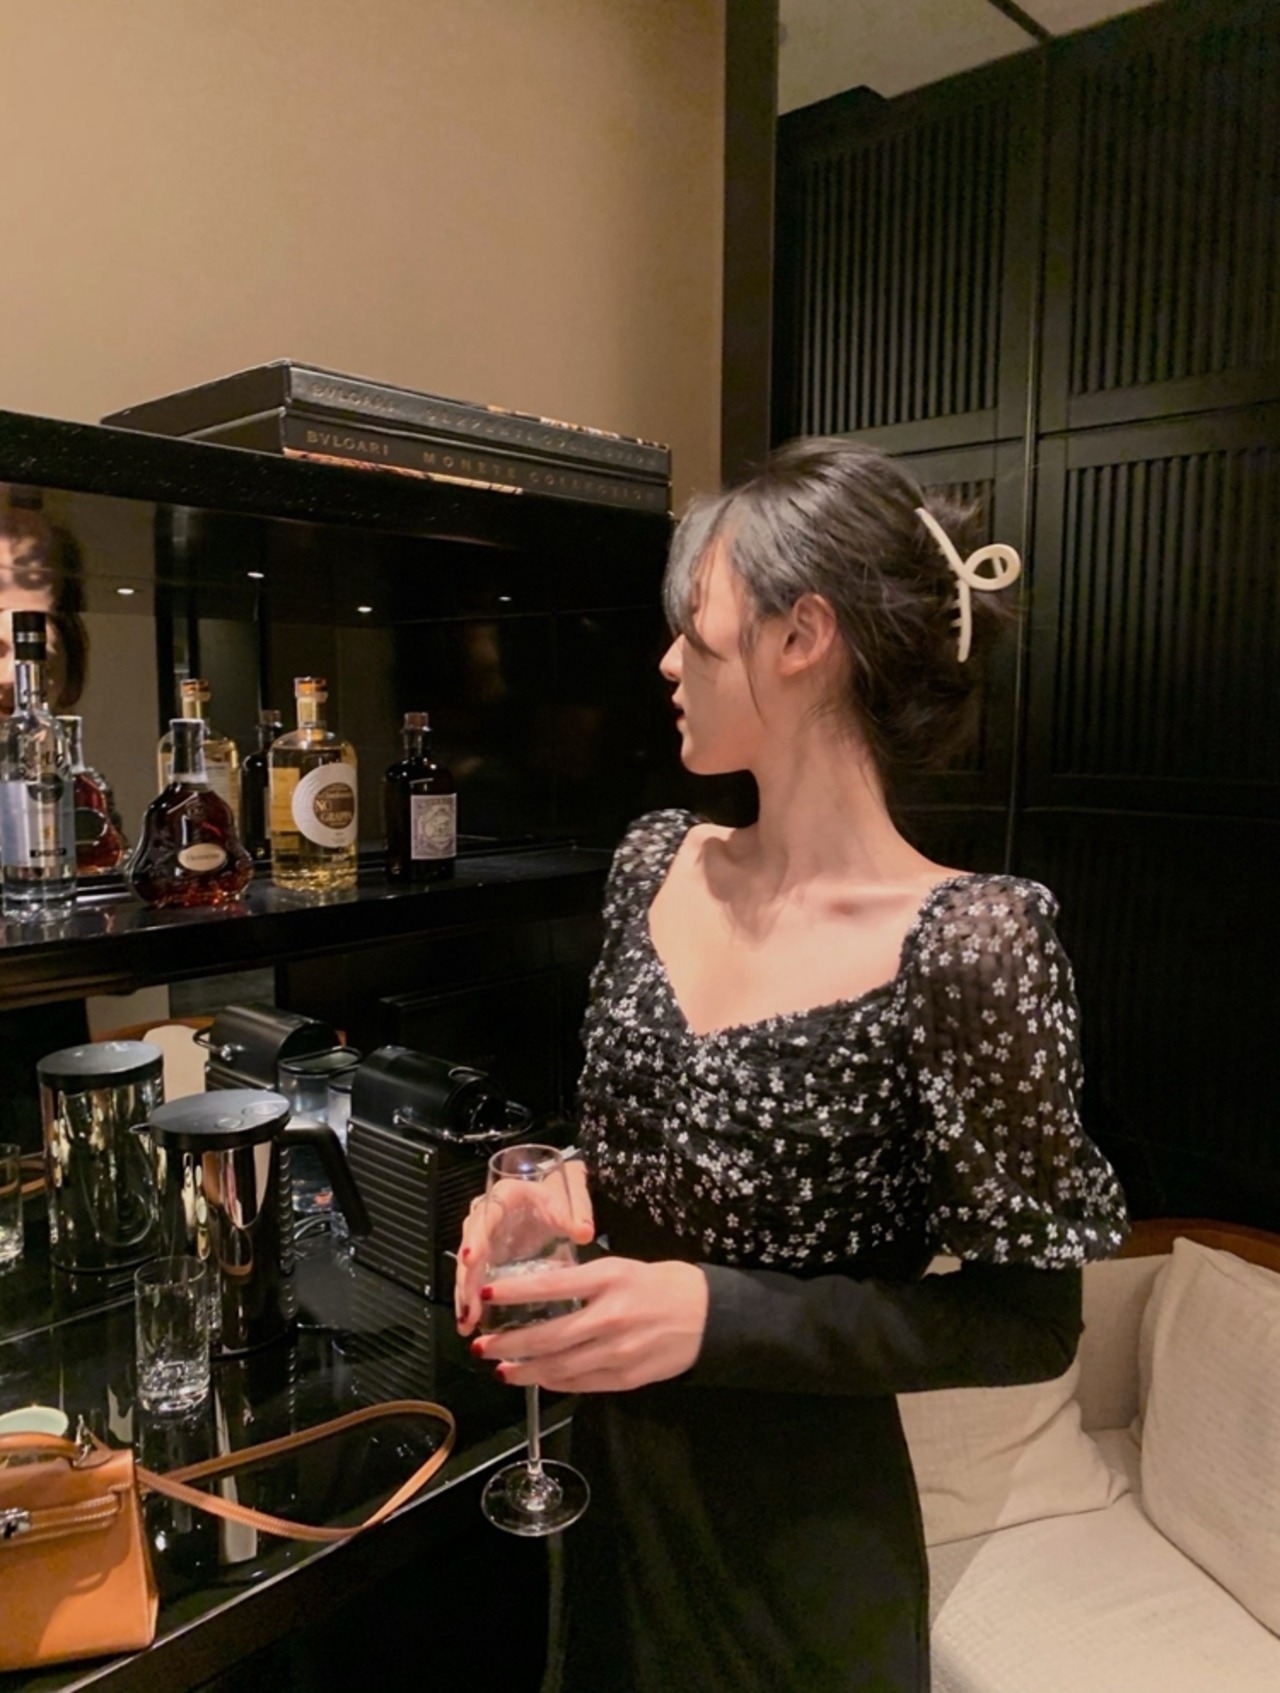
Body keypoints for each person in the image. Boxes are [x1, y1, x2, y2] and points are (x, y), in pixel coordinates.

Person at [456, 438, 1129, 1693]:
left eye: (695, 631)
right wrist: (549, 1197)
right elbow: (649, 1141)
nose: (667, 662)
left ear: (801, 635)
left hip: (797, 1553)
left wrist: (720, 1315)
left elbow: (1029, 1324)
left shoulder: (970, 943)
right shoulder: (655, 861)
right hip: (611, 1498)